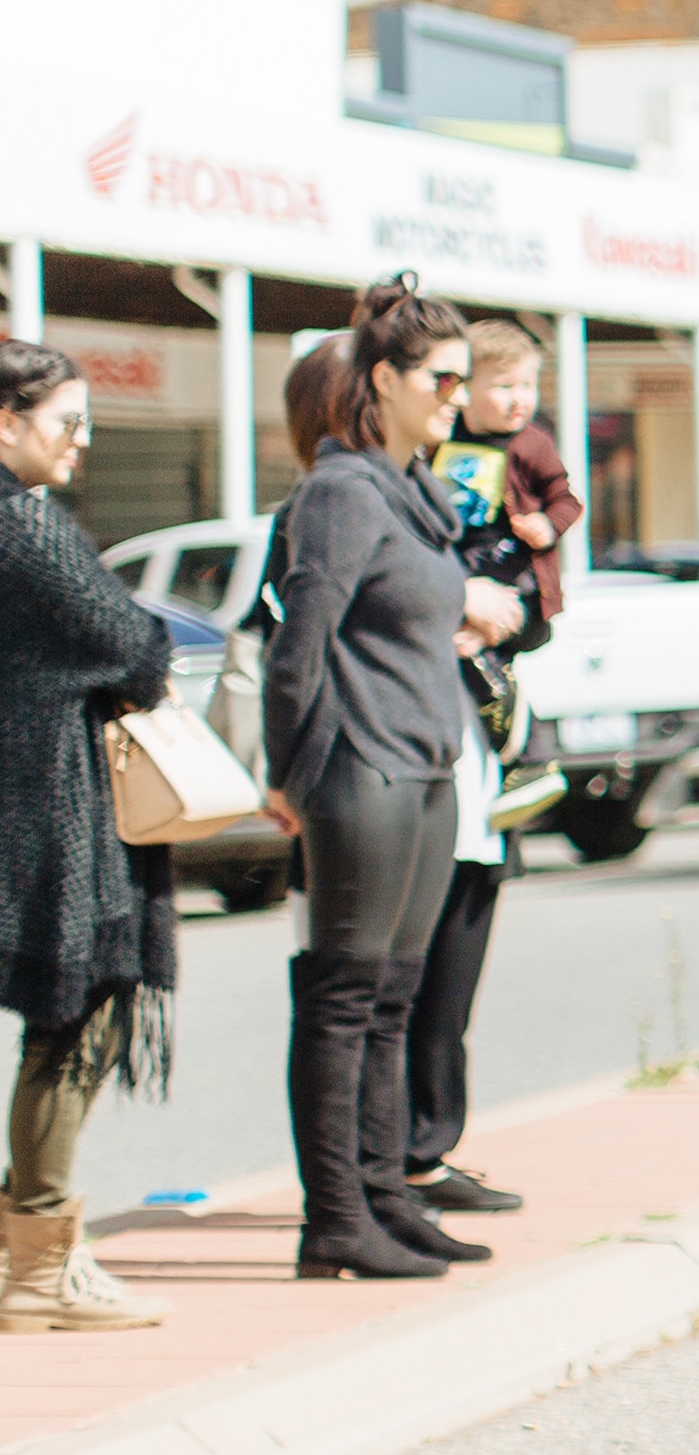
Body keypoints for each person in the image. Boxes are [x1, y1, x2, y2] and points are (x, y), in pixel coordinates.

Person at [257, 278, 525, 1282]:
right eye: (441, 379)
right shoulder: (339, 493)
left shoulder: (411, 493)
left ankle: (385, 1198)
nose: (459, 395)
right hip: (357, 767)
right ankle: (334, 1218)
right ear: (385, 380)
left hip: (426, 764)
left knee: (397, 1000)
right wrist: (289, 773)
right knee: (344, 995)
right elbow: (299, 643)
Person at [0, 341, 177, 1335]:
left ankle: (27, 1254)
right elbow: (135, 646)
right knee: (79, 1016)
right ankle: (39, 1264)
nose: (80, 444)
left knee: (61, 1018)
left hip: (22, 805)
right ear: (6, 423)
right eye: (68, 423)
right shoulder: (25, 529)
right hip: (44, 817)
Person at [402, 317, 582, 1214]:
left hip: (480, 786)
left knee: (450, 989)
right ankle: (392, 1162)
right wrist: (450, 605)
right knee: (393, 989)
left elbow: (541, 595)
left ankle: (429, 1152)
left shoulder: (520, 456)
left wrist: (507, 605)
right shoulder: (385, 492)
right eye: (446, 380)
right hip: (408, 790)